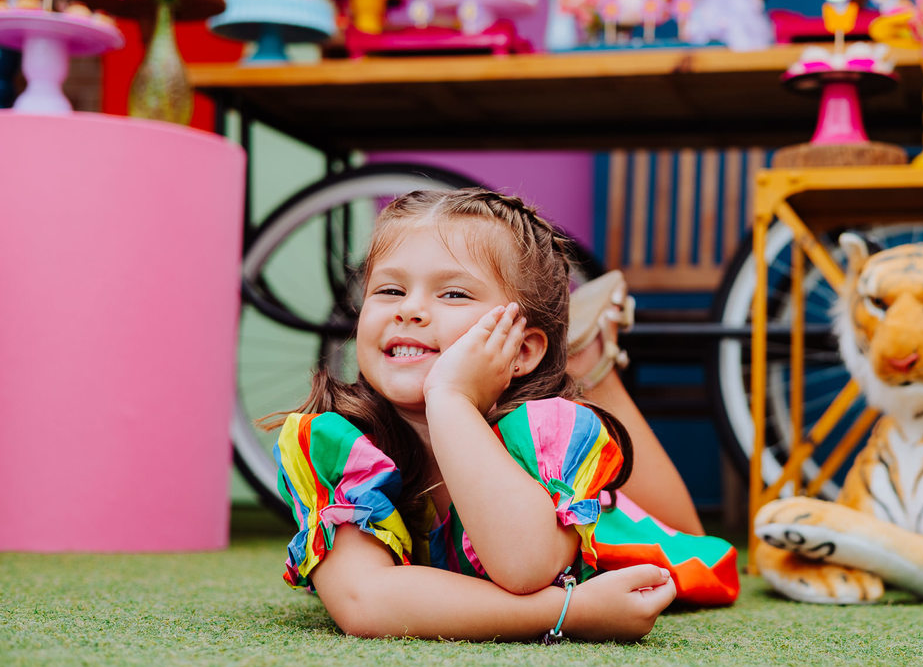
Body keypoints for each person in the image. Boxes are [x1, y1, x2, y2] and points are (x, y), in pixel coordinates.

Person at [266, 189, 739, 642]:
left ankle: (591, 366)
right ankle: (579, 358)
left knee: (687, 546)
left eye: (453, 294)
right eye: (390, 290)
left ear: (523, 350)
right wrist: (571, 611)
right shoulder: (333, 443)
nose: (409, 310)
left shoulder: (548, 431)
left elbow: (526, 568)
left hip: (598, 525)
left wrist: (450, 399)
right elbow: (364, 600)